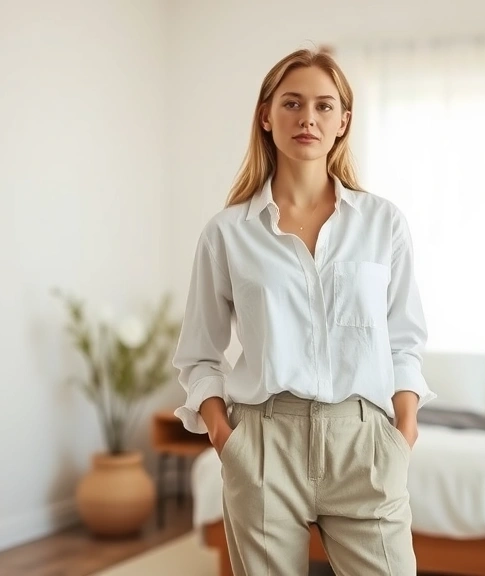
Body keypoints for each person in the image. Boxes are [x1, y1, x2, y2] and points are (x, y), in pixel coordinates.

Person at [171, 47, 435, 576]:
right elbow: (200, 356)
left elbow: (404, 341)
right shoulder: (227, 234)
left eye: (323, 105)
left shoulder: (384, 224)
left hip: (364, 445)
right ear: (266, 116)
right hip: (264, 445)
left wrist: (401, 432)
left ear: (343, 121)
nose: (307, 118)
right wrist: (228, 442)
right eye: (292, 103)